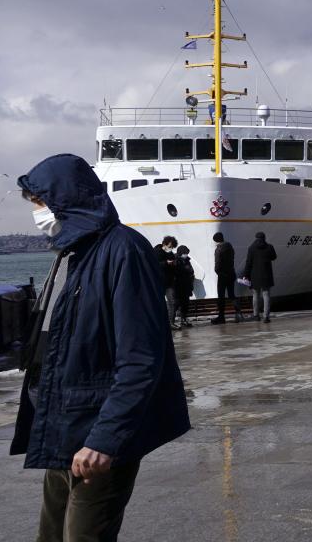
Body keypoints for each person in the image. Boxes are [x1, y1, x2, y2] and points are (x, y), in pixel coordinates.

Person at [13, 153, 189, 541]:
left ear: (65, 199)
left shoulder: (124, 251)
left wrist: (104, 440)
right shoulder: (73, 253)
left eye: (40, 203)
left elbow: (141, 357)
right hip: (62, 424)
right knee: (52, 535)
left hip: (95, 433)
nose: (38, 214)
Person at [242, 231, 277, 323]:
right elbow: (274, 257)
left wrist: (245, 275)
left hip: (255, 276)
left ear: (256, 238)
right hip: (266, 275)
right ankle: (266, 317)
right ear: (264, 238)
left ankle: (256, 315)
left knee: (255, 296)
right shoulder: (269, 247)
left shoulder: (251, 248)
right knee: (266, 295)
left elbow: (248, 263)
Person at [211, 232, 239, 324]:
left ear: (216, 241)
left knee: (221, 296)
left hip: (223, 275)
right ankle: (238, 313)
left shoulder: (219, 249)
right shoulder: (230, 247)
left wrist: (218, 272)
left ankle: (221, 317)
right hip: (231, 273)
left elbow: (217, 263)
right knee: (231, 295)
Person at [153, 236, 179, 329]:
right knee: (158, 302)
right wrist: (166, 263)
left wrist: (174, 263)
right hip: (159, 281)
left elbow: (174, 264)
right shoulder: (156, 252)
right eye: (170, 246)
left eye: (172, 247)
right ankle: (158, 323)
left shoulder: (170, 254)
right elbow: (154, 265)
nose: (171, 248)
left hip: (169, 281)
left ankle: (171, 323)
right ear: (164, 244)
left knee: (172, 302)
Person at [172, 245, 195, 328]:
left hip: (186, 286)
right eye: (185, 253)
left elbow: (191, 271)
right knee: (176, 304)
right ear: (181, 253)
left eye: (187, 253)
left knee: (185, 304)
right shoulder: (175, 260)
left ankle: (183, 319)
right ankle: (171, 321)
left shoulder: (187, 260)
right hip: (178, 287)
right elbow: (175, 272)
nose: (186, 255)